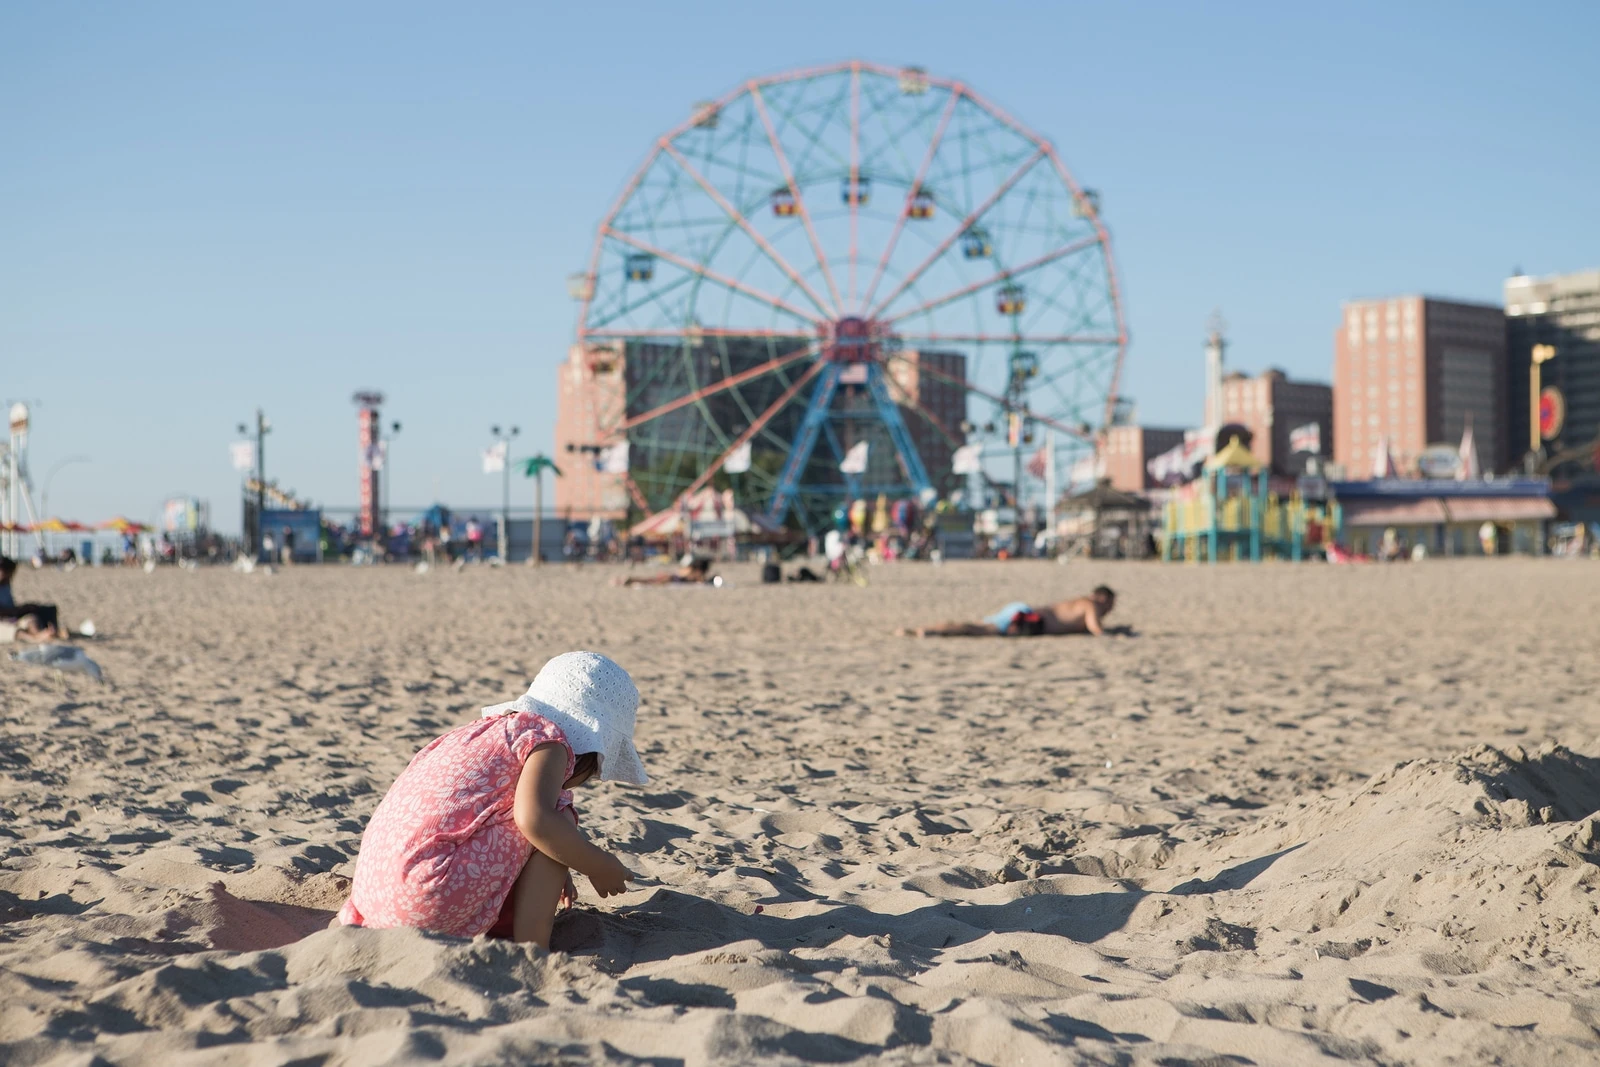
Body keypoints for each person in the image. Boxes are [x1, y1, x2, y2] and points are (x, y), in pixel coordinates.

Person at [339, 651, 646, 947]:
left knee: (543, 824)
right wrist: (598, 864)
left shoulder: (479, 733)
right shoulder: (549, 743)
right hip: (428, 901)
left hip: (373, 899)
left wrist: (562, 863)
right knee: (558, 816)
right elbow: (536, 821)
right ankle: (531, 948)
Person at [902, 585, 1121, 638]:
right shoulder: (1090, 605)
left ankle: (927, 629)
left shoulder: (1079, 602)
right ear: (1103, 598)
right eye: (1109, 606)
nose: (1108, 611)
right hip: (1027, 618)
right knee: (977, 629)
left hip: (1024, 612)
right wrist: (1118, 634)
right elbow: (1096, 629)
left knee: (977, 626)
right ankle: (926, 631)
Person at [0, 556, 69, 640]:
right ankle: (34, 637)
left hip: (12, 618)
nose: (10, 577)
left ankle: (44, 633)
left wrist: (24, 609)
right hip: (4, 620)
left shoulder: (5, 585)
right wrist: (19, 610)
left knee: (32, 619)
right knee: (14, 631)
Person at [613, 556, 717, 587]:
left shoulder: (689, 569)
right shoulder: (697, 572)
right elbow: (698, 581)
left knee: (650, 580)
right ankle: (630, 580)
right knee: (650, 582)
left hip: (671, 576)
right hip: (672, 579)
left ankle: (627, 580)